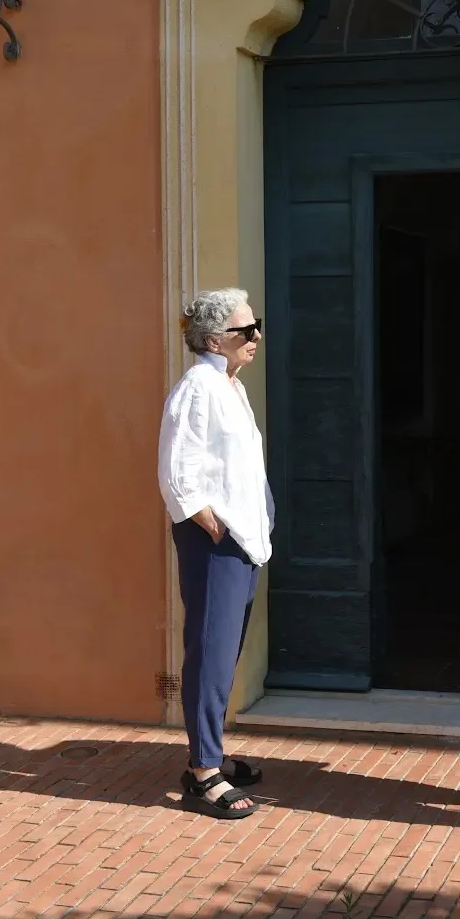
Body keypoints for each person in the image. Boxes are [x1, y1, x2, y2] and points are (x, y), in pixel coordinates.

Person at [158, 288, 273, 821]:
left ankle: (210, 753)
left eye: (256, 327)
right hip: (218, 543)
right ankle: (203, 774)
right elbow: (177, 473)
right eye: (244, 330)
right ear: (212, 340)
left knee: (224, 651)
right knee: (208, 649)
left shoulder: (229, 385)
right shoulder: (198, 387)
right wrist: (214, 527)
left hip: (243, 540)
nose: (255, 337)